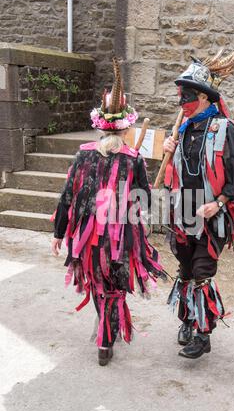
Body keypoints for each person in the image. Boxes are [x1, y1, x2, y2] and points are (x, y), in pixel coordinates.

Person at [51, 58, 165, 366]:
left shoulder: (84, 155)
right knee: (115, 287)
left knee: (100, 286)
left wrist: (59, 232)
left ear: (100, 127)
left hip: (89, 240)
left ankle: (105, 334)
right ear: (127, 127)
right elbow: (144, 201)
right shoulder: (134, 159)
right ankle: (106, 337)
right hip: (122, 237)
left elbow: (67, 197)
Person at [163, 47, 234, 359]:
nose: (182, 103)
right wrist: (169, 152)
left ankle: (203, 333)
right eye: (180, 97)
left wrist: (220, 203)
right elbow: (178, 174)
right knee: (184, 268)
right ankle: (187, 320)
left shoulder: (228, 130)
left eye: (188, 96)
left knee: (202, 269)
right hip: (185, 208)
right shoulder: (182, 132)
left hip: (215, 213)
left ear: (205, 98)